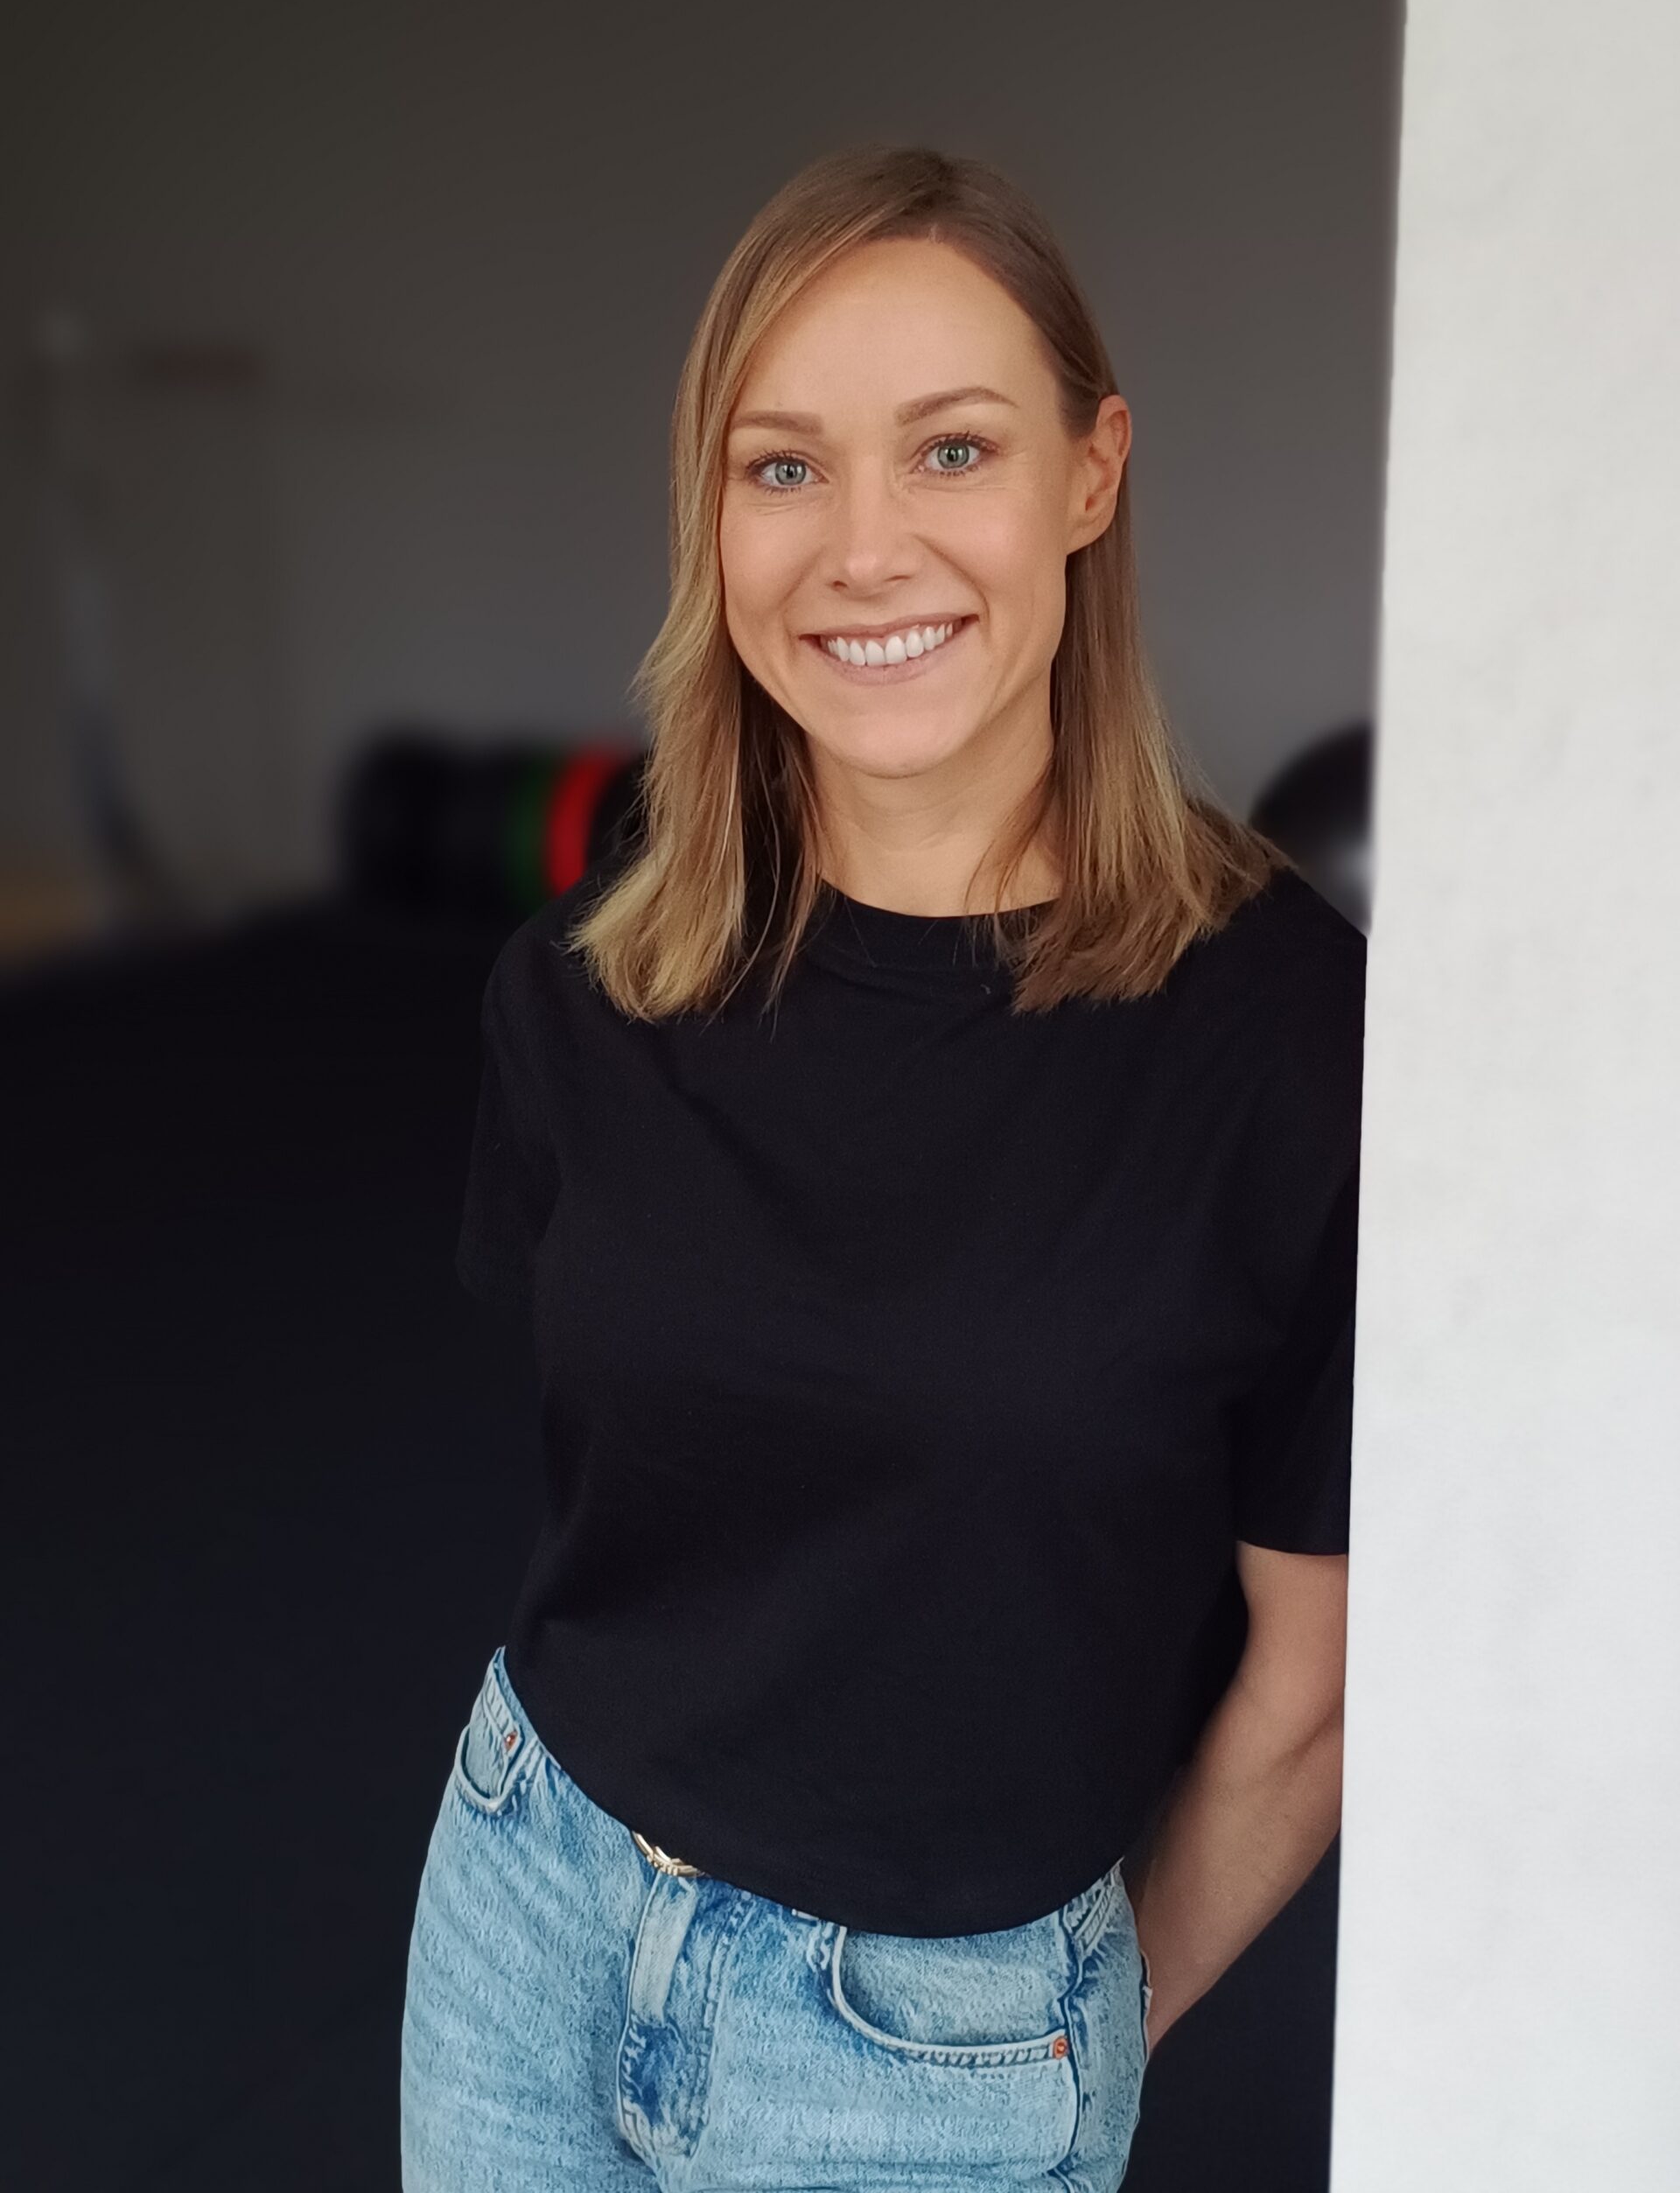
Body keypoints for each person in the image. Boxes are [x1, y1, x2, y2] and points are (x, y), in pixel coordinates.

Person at [399, 143, 1364, 2192]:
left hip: (933, 2044)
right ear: (713, 513)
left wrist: (1058, 2043)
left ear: (1090, 474)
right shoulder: (586, 981)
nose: (863, 547)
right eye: (784, 466)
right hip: (522, 1899)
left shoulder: (1285, 1034)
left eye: (951, 449)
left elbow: (1315, 1682)